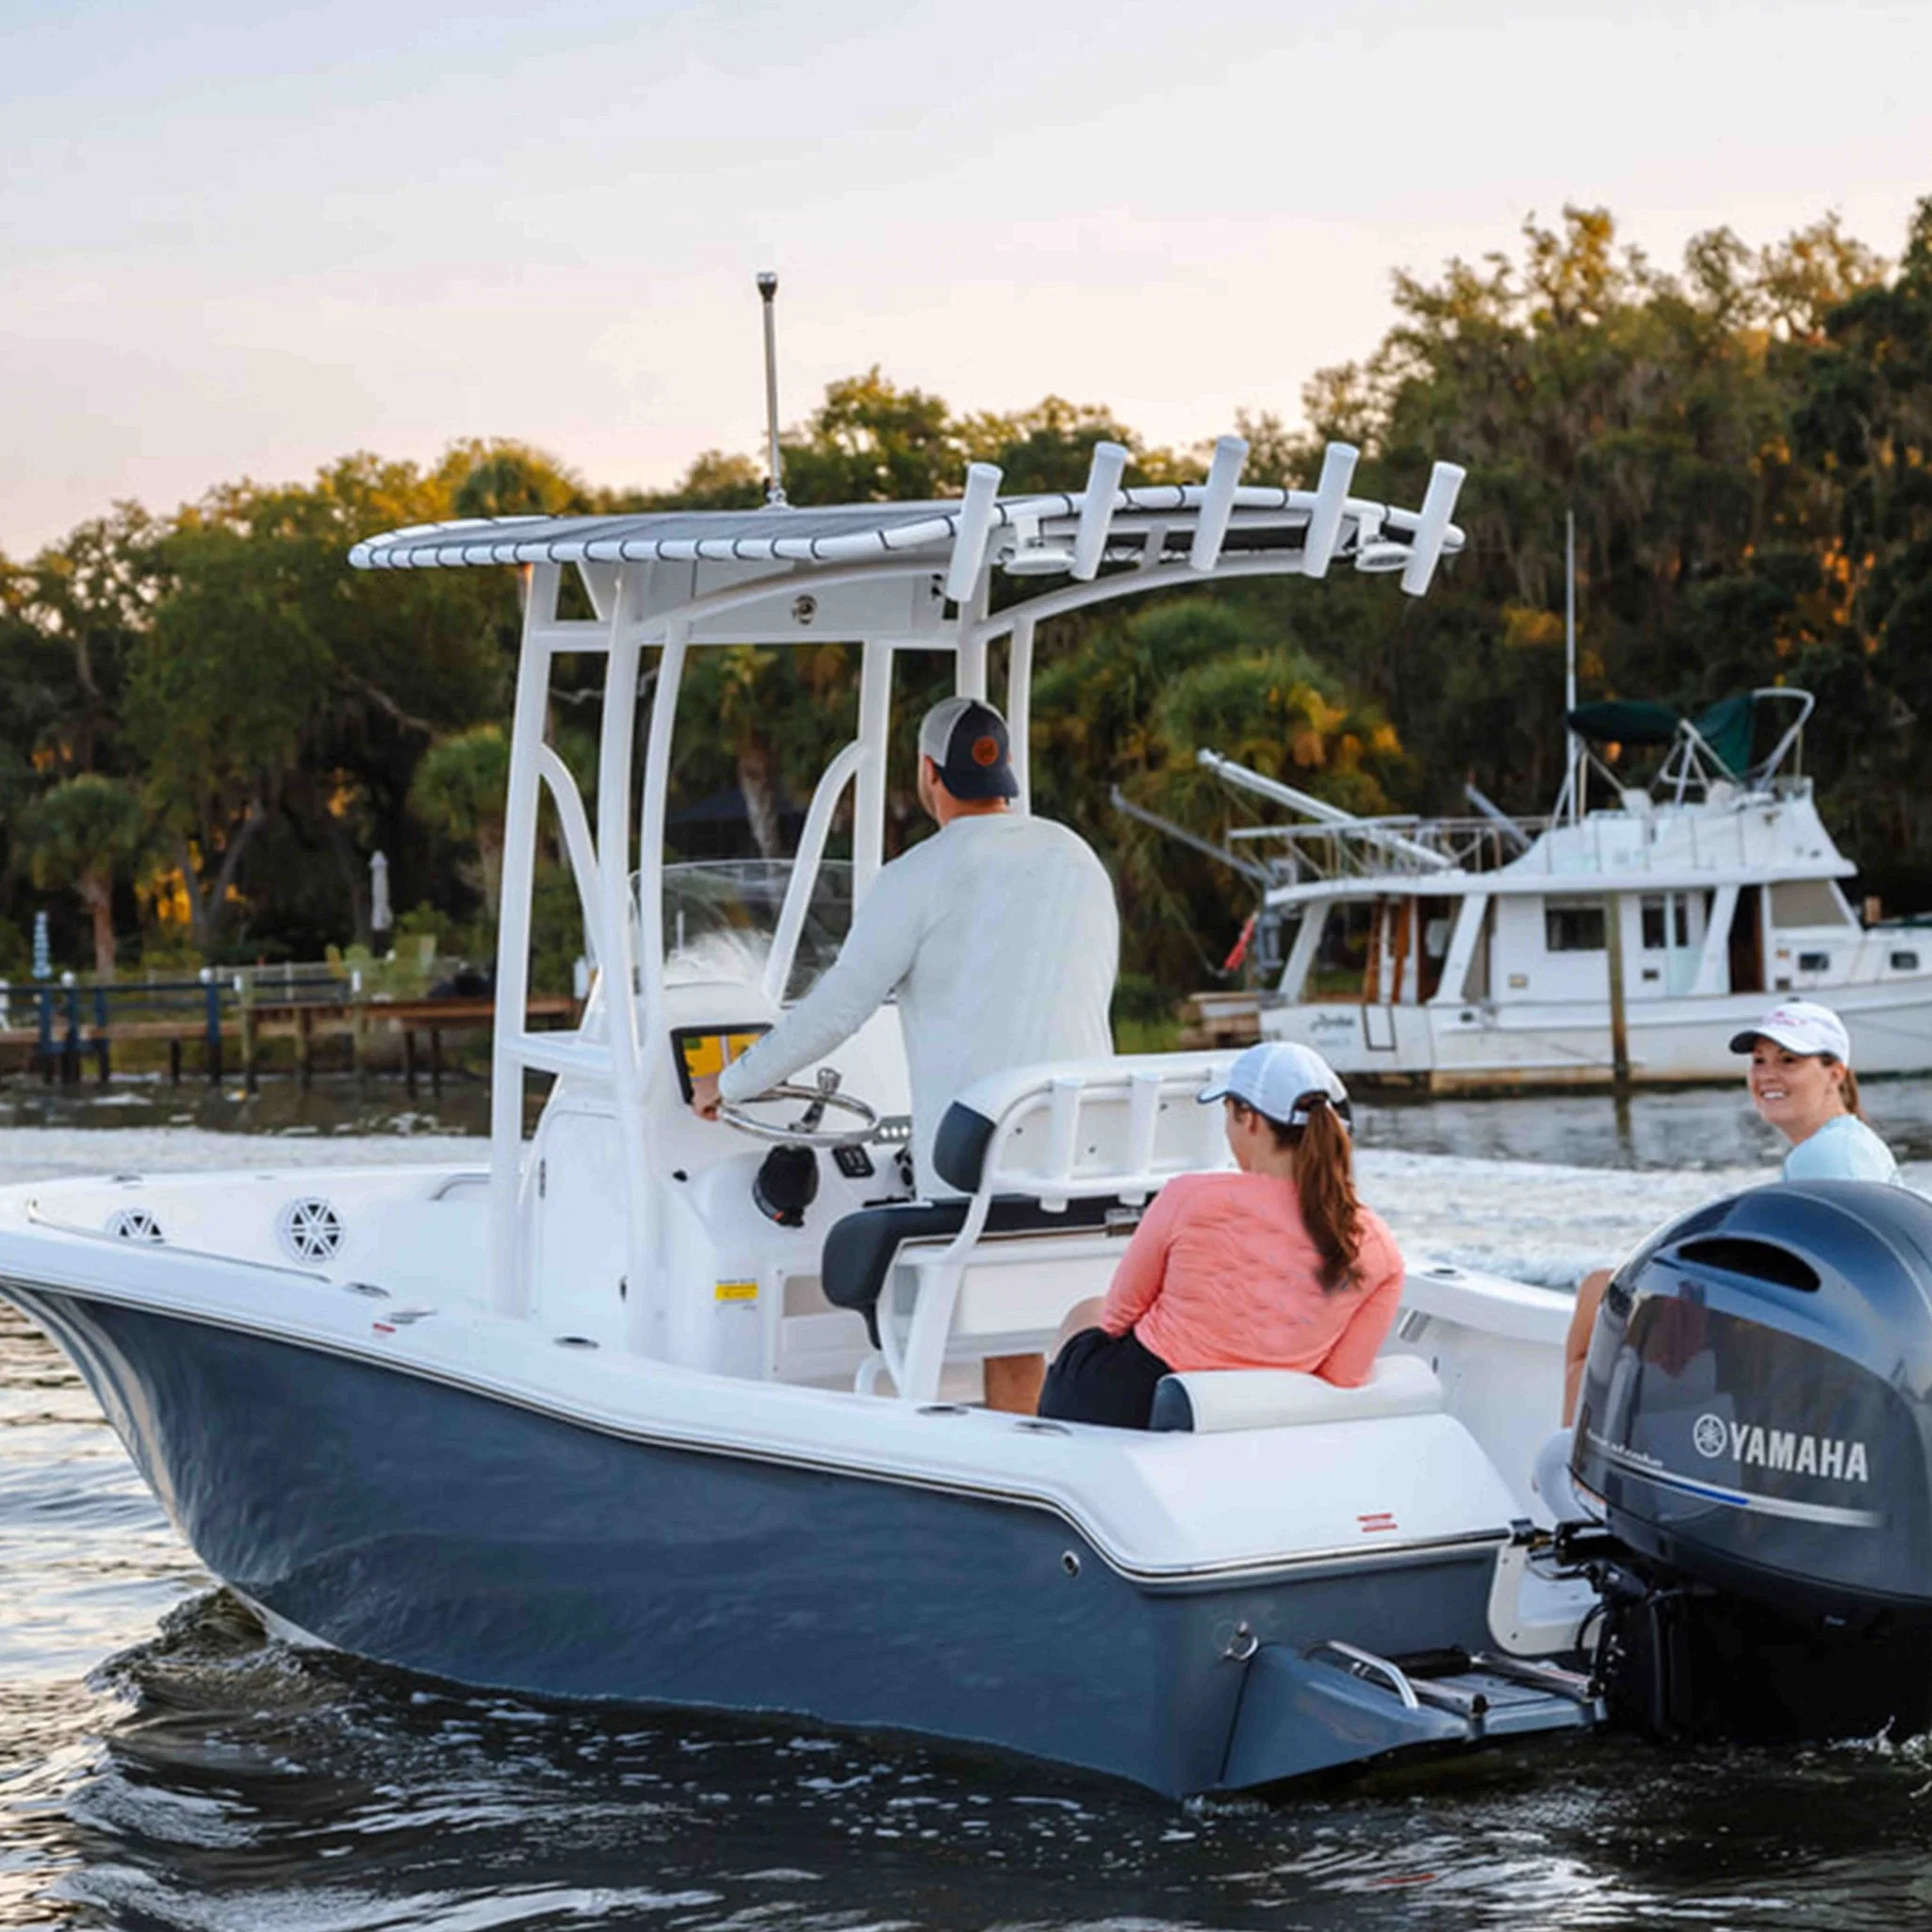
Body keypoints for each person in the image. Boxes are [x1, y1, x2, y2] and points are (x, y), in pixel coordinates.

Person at [689, 696, 1118, 1194]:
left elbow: (835, 1011)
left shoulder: (915, 876)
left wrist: (730, 1083)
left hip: (976, 1184)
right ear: (1005, 771)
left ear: (929, 772)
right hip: (1090, 1167)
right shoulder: (1077, 857)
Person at [1037, 1041, 1406, 1431]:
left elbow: (1117, 1317)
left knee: (1088, 1312)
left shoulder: (1189, 1196)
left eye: (1227, 1114)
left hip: (1132, 1404)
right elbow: (1341, 1379)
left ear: (1249, 1119)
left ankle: (1049, 1446)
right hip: (1257, 1427)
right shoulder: (1379, 1248)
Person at [1561, 998, 1900, 1422]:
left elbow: (1845, 1282)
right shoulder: (1841, 1143)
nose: (1767, 1074)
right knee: (1603, 1290)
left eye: (1789, 1060)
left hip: (1828, 1356)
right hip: (1828, 1340)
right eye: (1759, 1060)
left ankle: (1569, 1470)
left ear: (1835, 1074)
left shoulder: (1829, 1155)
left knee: (1598, 1302)